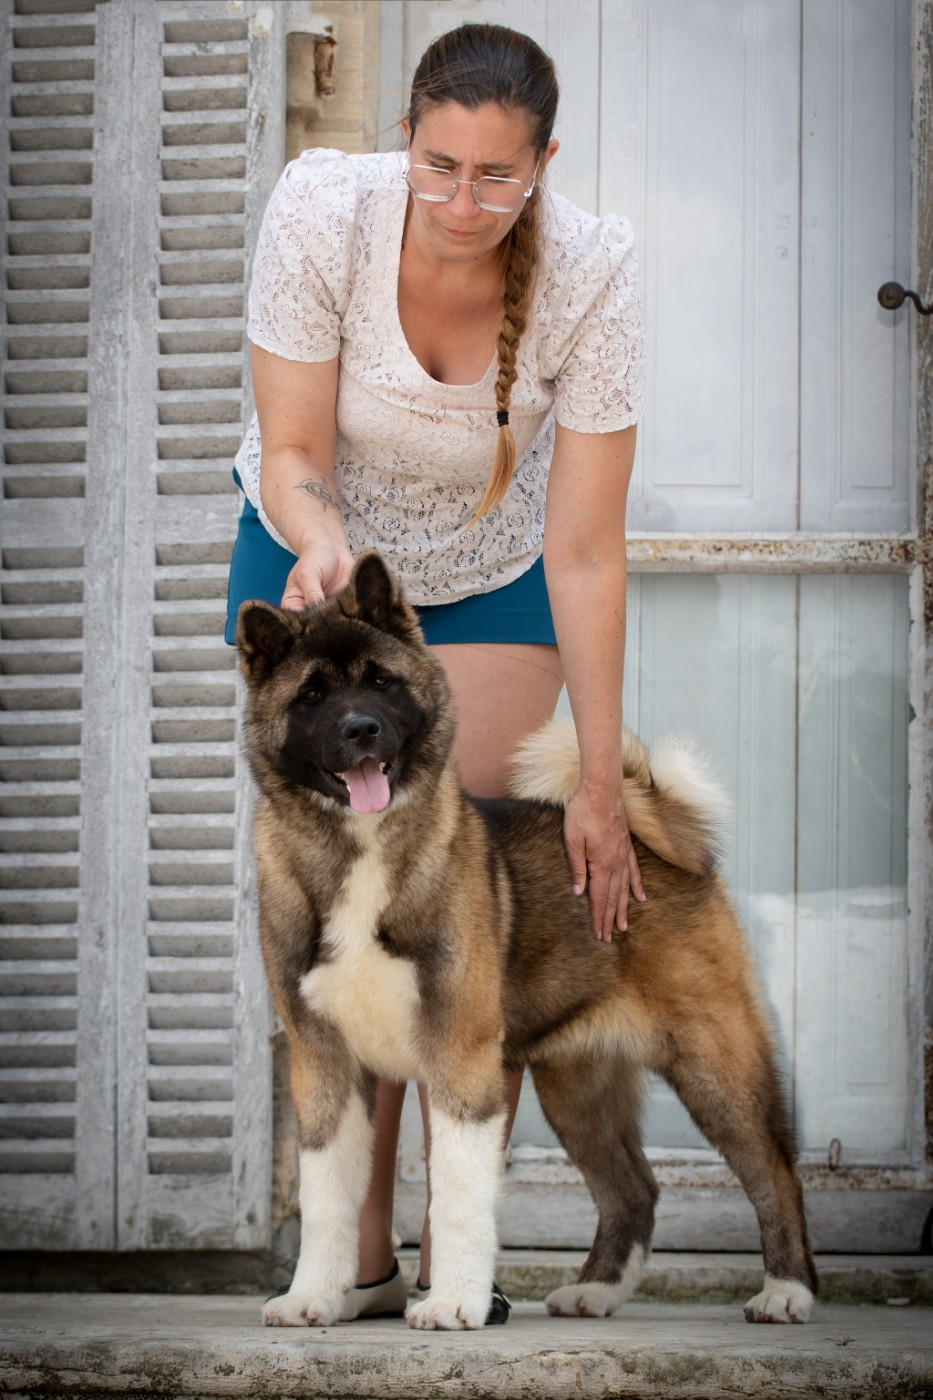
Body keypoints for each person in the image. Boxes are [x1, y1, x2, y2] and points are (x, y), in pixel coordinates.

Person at [226, 22, 646, 1324]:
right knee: (329, 908)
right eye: (440, 165)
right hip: (319, 562)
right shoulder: (322, 208)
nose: (463, 203)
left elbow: (584, 549)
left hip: (498, 566)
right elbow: (293, 443)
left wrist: (596, 776)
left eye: (496, 178)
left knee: (446, 908)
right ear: (404, 134)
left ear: (544, 165)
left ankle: (448, 1252)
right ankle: (349, 1252)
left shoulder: (591, 271)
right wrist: (324, 545)